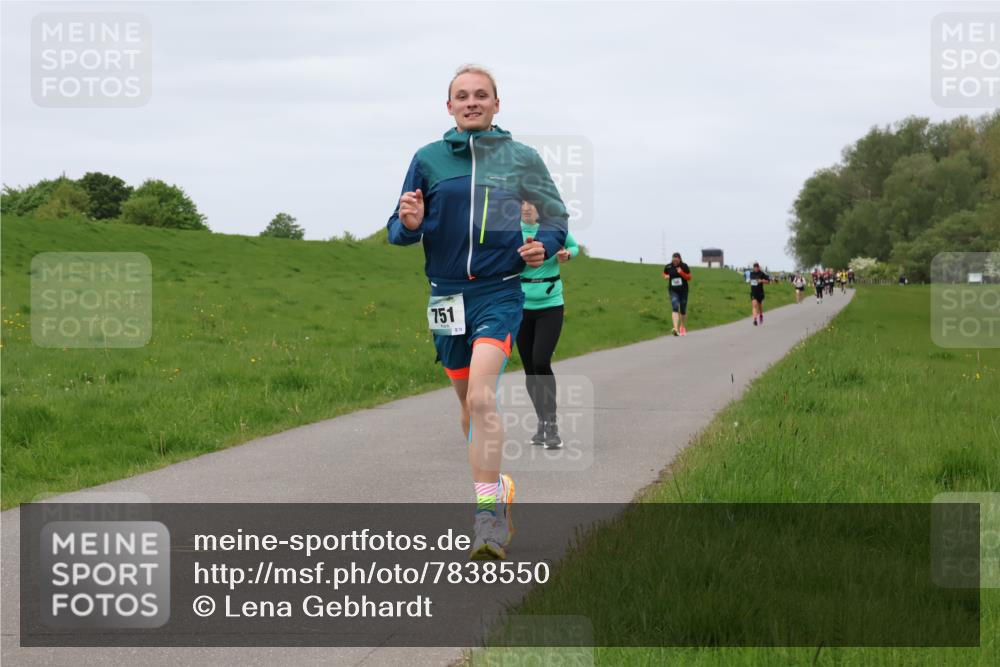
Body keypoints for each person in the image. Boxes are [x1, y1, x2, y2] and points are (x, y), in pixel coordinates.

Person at [387, 65, 568, 560]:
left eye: (481, 95)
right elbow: (397, 228)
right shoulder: (427, 159)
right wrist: (409, 224)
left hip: (499, 293)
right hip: (445, 298)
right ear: (449, 106)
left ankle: (487, 517)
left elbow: (555, 216)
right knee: (467, 405)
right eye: (462, 96)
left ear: (496, 104)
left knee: (483, 398)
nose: (472, 102)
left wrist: (543, 245)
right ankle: (498, 487)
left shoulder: (520, 158)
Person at [517, 201, 579, 449]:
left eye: (531, 202)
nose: (526, 207)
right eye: (522, 202)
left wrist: (567, 254)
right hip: (520, 307)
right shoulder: (511, 230)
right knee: (530, 370)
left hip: (550, 304)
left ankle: (552, 424)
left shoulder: (552, 228)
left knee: (541, 362)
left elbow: (573, 245)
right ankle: (541, 421)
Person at [662, 252, 693, 336]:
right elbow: (664, 274)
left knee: (683, 308)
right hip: (673, 290)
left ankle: (682, 326)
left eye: (676, 260)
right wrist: (665, 276)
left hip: (683, 290)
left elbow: (689, 277)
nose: (675, 262)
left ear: (679, 259)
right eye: (673, 260)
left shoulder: (684, 266)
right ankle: (675, 329)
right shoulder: (668, 266)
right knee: (675, 306)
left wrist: (681, 272)